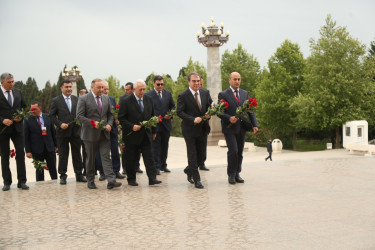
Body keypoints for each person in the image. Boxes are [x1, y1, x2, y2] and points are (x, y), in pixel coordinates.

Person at [76, 78, 122, 189]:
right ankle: (90, 180)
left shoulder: (106, 98)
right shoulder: (83, 99)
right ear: (92, 87)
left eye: (103, 87)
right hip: (90, 134)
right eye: (99, 87)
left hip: (104, 134)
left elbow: (110, 115)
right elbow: (79, 116)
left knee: (106, 157)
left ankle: (111, 180)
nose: (102, 89)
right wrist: (92, 123)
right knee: (91, 158)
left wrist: (110, 125)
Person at [118, 79, 162, 186]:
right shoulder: (126, 101)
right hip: (132, 135)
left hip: (146, 134)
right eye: (140, 89)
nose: (142, 91)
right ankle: (131, 179)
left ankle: (152, 178)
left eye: (144, 89)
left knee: (149, 157)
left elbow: (152, 116)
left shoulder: (148, 99)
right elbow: (121, 118)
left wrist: (154, 131)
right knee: (131, 158)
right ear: (134, 89)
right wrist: (132, 126)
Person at [218, 72, 258, 184]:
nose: (237, 81)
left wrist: (255, 124)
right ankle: (230, 174)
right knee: (233, 151)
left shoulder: (245, 93)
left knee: (239, 151)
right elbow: (219, 112)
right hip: (229, 128)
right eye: (235, 79)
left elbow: (250, 110)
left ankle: (237, 173)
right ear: (229, 80)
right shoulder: (223, 94)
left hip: (242, 127)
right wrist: (229, 118)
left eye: (239, 79)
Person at [177, 72, 212, 189]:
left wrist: (210, 113)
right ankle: (197, 180)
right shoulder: (183, 95)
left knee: (202, 157)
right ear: (189, 82)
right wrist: (192, 119)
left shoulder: (205, 92)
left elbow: (210, 106)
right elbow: (180, 112)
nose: (196, 83)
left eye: (198, 81)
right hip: (189, 130)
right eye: (194, 81)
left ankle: (189, 169)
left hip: (203, 129)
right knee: (192, 155)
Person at [50, 80, 86, 184]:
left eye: (70, 86)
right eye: (66, 87)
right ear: (61, 88)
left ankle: (79, 174)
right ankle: (62, 175)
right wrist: (60, 124)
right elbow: (51, 116)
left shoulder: (77, 99)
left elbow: (81, 114)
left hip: (76, 132)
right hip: (62, 133)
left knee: (77, 154)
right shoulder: (56, 100)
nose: (69, 88)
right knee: (63, 155)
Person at [0, 73, 29, 191]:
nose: (12, 84)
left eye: (12, 82)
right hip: (3, 129)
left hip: (18, 129)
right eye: (9, 82)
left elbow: (24, 108)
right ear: (2, 83)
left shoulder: (18, 92)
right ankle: (7, 182)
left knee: (20, 154)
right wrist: (2, 120)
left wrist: (21, 117)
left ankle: (22, 181)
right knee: (4, 155)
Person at [145, 75, 175, 174]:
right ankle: (156, 167)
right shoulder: (148, 95)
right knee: (155, 147)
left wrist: (170, 115)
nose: (160, 86)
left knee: (165, 146)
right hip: (155, 126)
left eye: (162, 84)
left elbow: (173, 107)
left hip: (166, 124)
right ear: (154, 83)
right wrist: (153, 119)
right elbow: (146, 110)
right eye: (158, 84)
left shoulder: (168, 94)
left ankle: (163, 165)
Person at [95, 81, 124, 180]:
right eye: (104, 89)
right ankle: (102, 172)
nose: (106, 91)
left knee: (115, 150)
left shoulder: (111, 99)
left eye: (107, 89)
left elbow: (114, 114)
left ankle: (116, 170)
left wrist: (116, 121)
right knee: (101, 152)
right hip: (101, 130)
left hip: (112, 129)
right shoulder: (96, 100)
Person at [24, 102, 58, 181]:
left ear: (40, 109)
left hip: (49, 148)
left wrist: (56, 146)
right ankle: (40, 187)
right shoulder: (28, 119)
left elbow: (53, 133)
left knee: (52, 169)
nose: (32, 111)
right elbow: (26, 137)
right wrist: (28, 151)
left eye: (34, 109)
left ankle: (55, 184)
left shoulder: (48, 117)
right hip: (37, 150)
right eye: (31, 109)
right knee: (40, 170)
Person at [119, 82, 143, 175]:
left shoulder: (139, 98)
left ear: (133, 89)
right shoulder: (123, 99)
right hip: (127, 129)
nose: (126, 91)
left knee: (138, 150)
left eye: (128, 89)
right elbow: (121, 114)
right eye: (125, 90)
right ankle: (125, 168)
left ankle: (137, 166)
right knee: (126, 151)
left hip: (138, 129)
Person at [196, 75, 211, 171]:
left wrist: (209, 112)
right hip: (194, 124)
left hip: (204, 124)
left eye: (201, 83)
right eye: (198, 83)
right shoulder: (189, 94)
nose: (200, 85)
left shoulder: (205, 92)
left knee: (203, 145)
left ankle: (202, 162)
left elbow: (210, 104)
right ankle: (194, 164)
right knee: (195, 147)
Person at [78, 89, 88, 175]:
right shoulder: (76, 103)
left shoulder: (88, 104)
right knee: (78, 152)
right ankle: (79, 171)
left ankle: (87, 170)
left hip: (86, 131)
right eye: (82, 94)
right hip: (77, 131)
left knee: (86, 151)